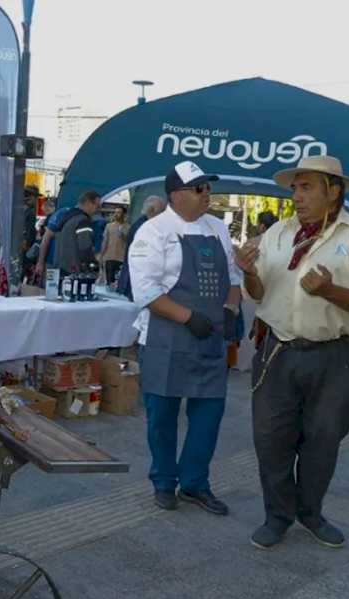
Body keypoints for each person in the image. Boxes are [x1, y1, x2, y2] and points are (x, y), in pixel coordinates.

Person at [235, 155, 349, 550]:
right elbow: (260, 294)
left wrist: (330, 291)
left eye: (306, 187)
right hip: (277, 353)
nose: (296, 196)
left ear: (333, 190)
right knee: (270, 438)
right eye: (294, 188)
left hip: (333, 356)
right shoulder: (278, 234)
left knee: (324, 440)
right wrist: (249, 272)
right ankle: (277, 516)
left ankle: (311, 512)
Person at [128, 161, 242, 515]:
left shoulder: (218, 229)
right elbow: (145, 290)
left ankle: (195, 483)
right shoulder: (153, 231)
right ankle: (164, 481)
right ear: (176, 195)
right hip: (166, 338)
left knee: (208, 414)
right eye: (199, 189)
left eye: (208, 188)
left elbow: (234, 278)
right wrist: (187, 317)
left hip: (210, 338)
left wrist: (230, 309)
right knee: (161, 417)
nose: (207, 194)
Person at [118, 196, 166, 300]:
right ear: (152, 211)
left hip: (135, 280)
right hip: (137, 281)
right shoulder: (144, 227)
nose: (164, 215)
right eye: (162, 211)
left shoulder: (141, 224)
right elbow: (142, 258)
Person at [51, 190, 101, 275]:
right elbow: (85, 247)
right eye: (97, 205)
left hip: (59, 267)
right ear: (88, 202)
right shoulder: (83, 221)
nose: (98, 209)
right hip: (73, 271)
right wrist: (94, 265)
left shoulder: (67, 218)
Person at [101, 207, 129, 287]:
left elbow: (128, 241)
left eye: (119, 212)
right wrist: (102, 255)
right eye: (115, 212)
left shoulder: (128, 227)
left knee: (119, 281)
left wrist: (122, 234)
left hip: (121, 257)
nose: (116, 215)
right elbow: (105, 241)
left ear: (124, 214)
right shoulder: (109, 226)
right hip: (109, 256)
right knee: (109, 280)